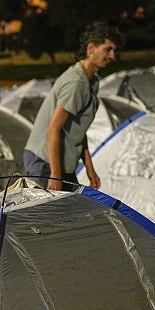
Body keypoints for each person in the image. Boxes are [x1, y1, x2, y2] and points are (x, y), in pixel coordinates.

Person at [23, 21, 125, 191]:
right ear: (91, 48)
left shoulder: (92, 81)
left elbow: (77, 129)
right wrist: (55, 175)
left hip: (60, 164)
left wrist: (89, 168)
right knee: (51, 216)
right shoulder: (76, 83)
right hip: (44, 162)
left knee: (73, 212)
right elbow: (53, 129)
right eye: (108, 49)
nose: (112, 56)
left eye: (114, 50)